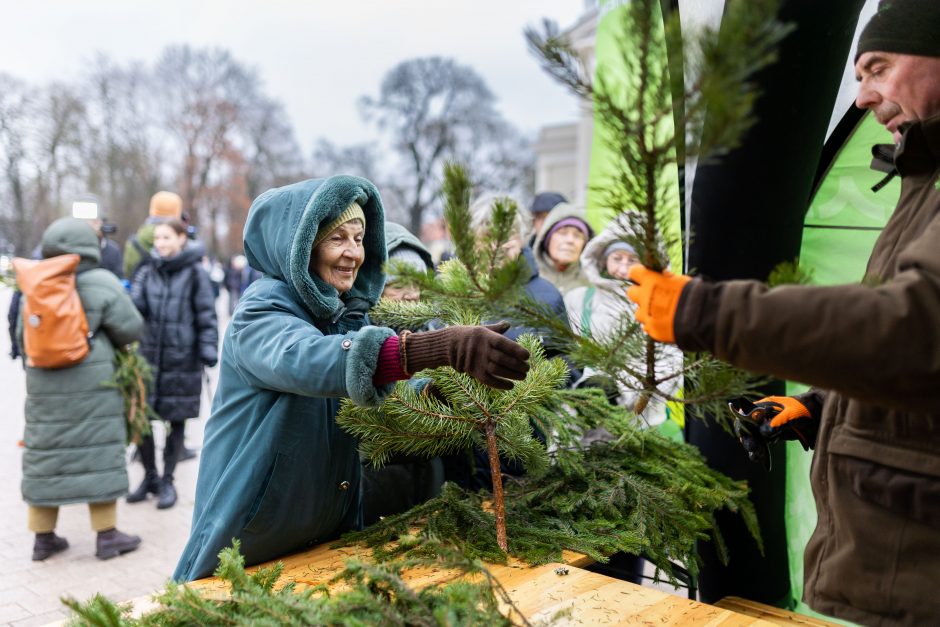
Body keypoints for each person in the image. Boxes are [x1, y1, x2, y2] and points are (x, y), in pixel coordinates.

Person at [626, 2, 940, 623]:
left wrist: (704, 311)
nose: (863, 97)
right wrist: (822, 409)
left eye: (877, 68)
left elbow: (914, 328)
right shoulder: (920, 182)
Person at [173, 176, 530, 581]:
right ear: (301, 245)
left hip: (326, 535)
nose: (353, 253)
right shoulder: (260, 312)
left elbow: (371, 399)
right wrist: (438, 348)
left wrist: (436, 393)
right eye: (337, 238)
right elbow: (313, 360)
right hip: (250, 538)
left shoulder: (340, 315)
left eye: (359, 238)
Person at [16, 218, 144, 561]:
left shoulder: (34, 282)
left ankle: (43, 540)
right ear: (91, 246)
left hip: (44, 387)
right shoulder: (101, 281)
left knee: (46, 458)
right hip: (95, 385)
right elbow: (131, 328)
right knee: (97, 454)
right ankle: (107, 537)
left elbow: (20, 336)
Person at [127, 219, 218, 509]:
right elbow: (136, 309)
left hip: (182, 357)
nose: (160, 243)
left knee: (175, 419)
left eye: (166, 237)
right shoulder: (148, 269)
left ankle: (168, 480)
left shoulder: (195, 273)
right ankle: (150, 477)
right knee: (142, 417)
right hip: (148, 357)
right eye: (157, 238)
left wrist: (208, 349)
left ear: (181, 238)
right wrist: (135, 285)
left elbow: (206, 314)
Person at [360, 221, 445, 525]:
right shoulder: (357, 335)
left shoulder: (436, 333)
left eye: (417, 285)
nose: (411, 296)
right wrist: (425, 392)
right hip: (373, 492)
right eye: (398, 285)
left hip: (427, 491)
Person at [565, 223, 681, 427]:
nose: (623, 269)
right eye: (616, 258)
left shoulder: (659, 308)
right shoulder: (579, 300)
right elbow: (560, 354)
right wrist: (580, 388)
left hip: (639, 426)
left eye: (632, 260)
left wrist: (622, 391)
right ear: (603, 260)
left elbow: (671, 366)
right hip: (579, 426)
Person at [532, 202, 594, 296]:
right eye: (563, 233)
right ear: (547, 239)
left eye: (577, 236)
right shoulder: (527, 277)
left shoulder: (593, 284)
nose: (570, 240)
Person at [124, 191, 184, 282]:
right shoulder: (180, 239)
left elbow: (128, 272)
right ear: (177, 213)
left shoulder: (134, 242)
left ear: (152, 210)